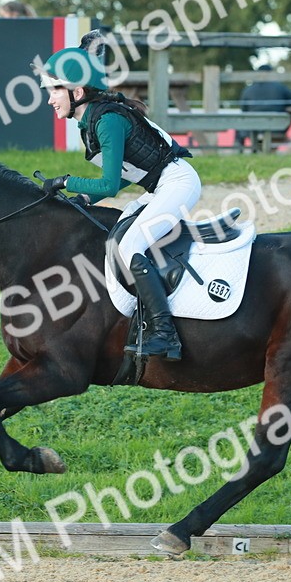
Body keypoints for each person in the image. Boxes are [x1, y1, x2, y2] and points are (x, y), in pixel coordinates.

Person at [38, 46, 199, 361]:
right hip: (160, 184)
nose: (49, 99)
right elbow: (129, 173)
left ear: (78, 91)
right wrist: (84, 198)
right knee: (118, 233)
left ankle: (164, 334)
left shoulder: (107, 120)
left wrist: (66, 181)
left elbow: (110, 184)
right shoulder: (95, 119)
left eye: (54, 90)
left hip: (178, 184)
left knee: (131, 246)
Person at [237, 65, 291, 148]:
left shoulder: (248, 90)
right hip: (277, 129)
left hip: (252, 130)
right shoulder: (280, 87)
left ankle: (240, 148)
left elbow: (243, 111)